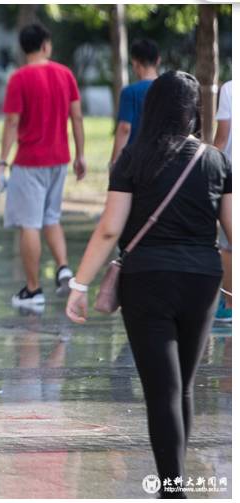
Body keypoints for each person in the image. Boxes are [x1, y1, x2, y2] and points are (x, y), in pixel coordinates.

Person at [65, 71, 231, 498]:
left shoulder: (133, 158)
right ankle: (174, 483)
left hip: (147, 281)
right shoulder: (215, 160)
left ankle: (172, 490)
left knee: (162, 390)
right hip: (202, 279)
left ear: (152, 108)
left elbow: (108, 230)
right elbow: (233, 230)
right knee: (182, 387)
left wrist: (80, 285)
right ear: (193, 112)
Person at [0, 23, 87, 308]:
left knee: (29, 224)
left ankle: (33, 291)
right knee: (51, 218)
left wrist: (1, 161)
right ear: (46, 45)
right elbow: (77, 117)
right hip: (60, 160)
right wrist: (81, 155)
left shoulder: (19, 79)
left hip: (30, 162)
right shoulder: (65, 74)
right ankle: (63, 267)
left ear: (24, 48)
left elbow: (11, 121)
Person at [108, 39, 160, 168]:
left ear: (135, 62)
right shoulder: (170, 89)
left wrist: (114, 162)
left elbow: (125, 128)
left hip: (136, 160)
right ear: (158, 60)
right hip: (162, 158)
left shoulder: (130, 92)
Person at [213, 80, 232, 323]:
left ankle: (229, 302)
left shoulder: (230, 88)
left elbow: (222, 137)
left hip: (232, 174)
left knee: (229, 242)